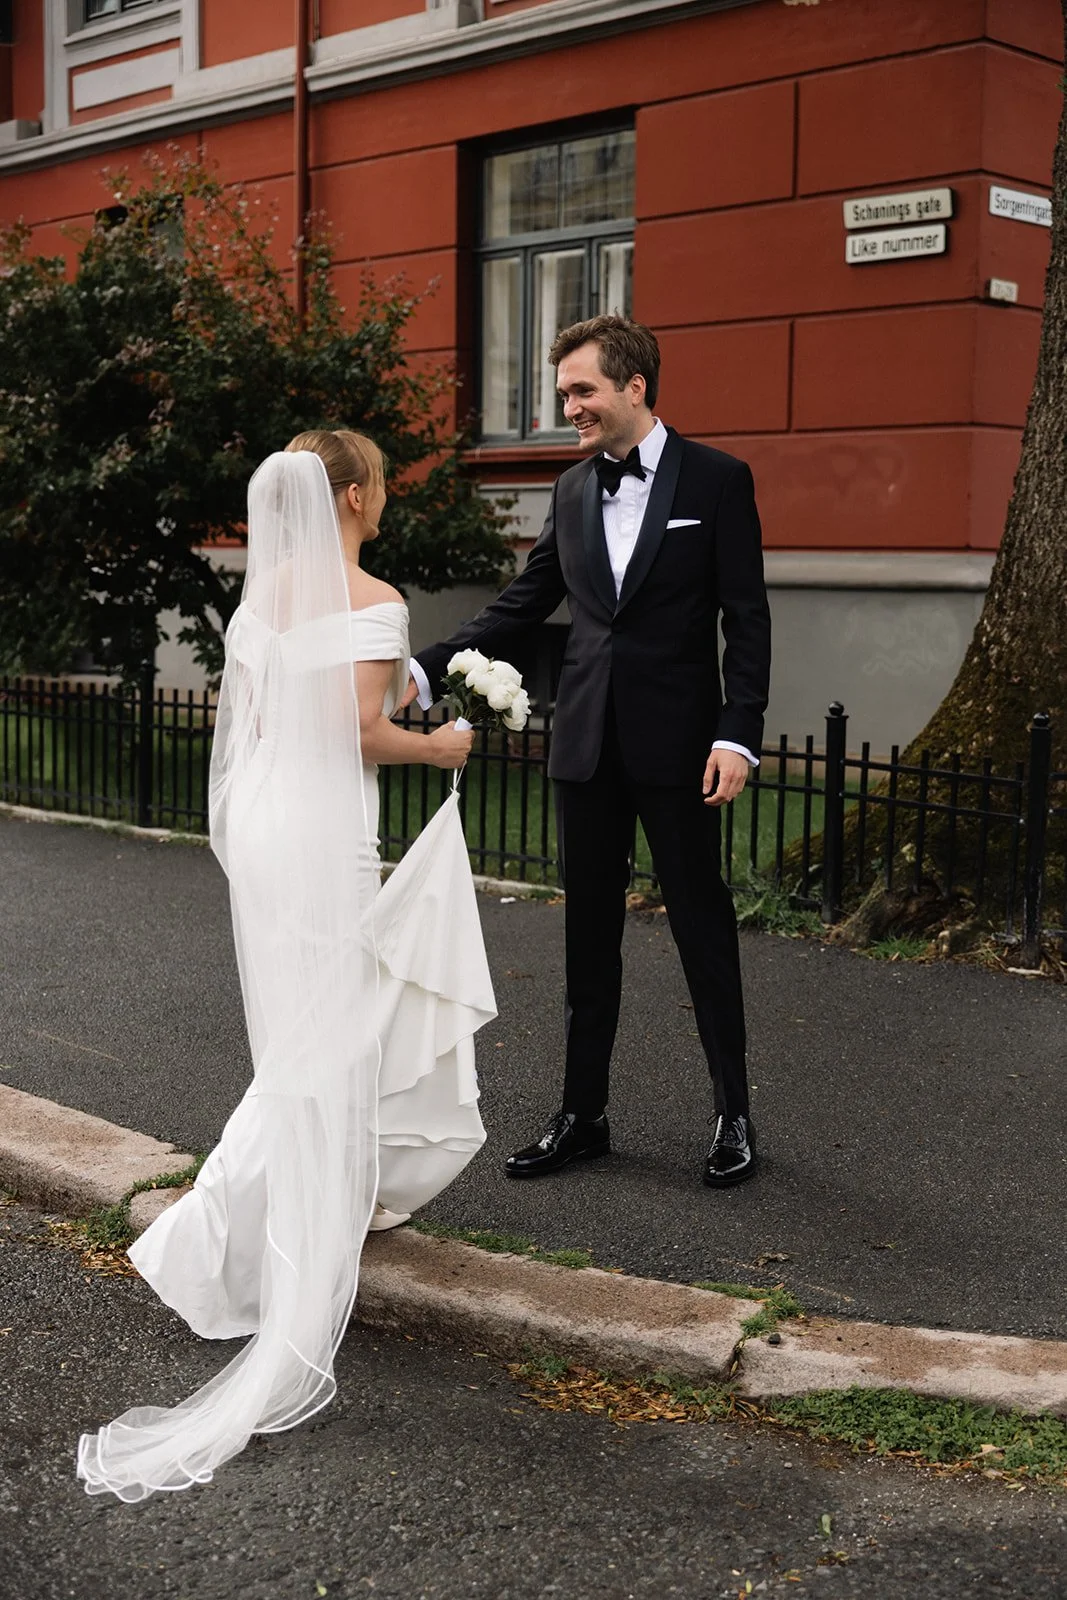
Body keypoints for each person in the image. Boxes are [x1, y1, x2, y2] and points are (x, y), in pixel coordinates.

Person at [77, 431, 496, 1502]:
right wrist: (439, 746)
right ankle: (219, 1240)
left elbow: (275, 721)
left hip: (264, 824)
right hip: (318, 832)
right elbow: (360, 732)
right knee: (325, 1035)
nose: (384, 501)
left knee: (308, 1027)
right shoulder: (373, 592)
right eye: (381, 488)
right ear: (352, 494)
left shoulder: (262, 602)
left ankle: (281, 1213)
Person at [407, 316, 770, 1189]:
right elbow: (523, 604)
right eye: (563, 391)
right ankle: (582, 1115)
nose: (567, 406)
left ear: (634, 386)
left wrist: (737, 733)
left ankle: (732, 1112)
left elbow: (745, 620)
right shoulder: (571, 490)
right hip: (583, 750)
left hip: (680, 750)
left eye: (581, 391)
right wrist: (418, 669)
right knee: (587, 942)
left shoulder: (718, 480)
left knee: (701, 931)